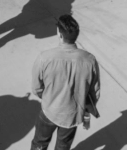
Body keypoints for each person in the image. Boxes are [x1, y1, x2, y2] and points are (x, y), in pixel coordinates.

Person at [30, 14, 101, 150]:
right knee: (63, 146)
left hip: (49, 111)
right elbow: (94, 93)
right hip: (72, 116)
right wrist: (85, 115)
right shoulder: (90, 60)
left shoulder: (44, 58)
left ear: (59, 34)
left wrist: (48, 98)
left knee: (40, 143)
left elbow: (36, 88)